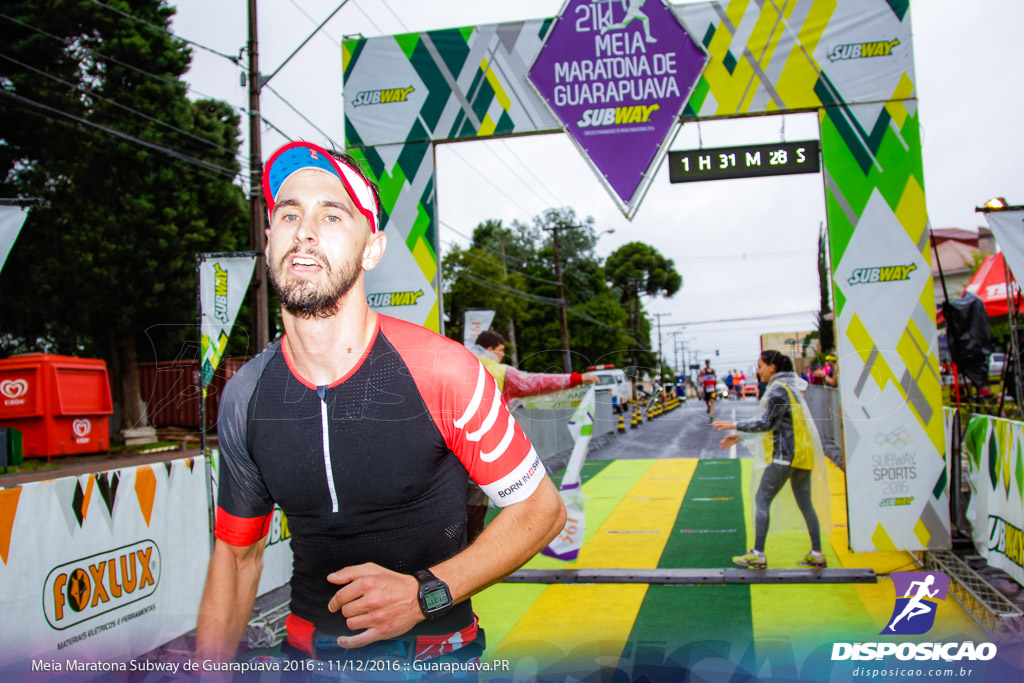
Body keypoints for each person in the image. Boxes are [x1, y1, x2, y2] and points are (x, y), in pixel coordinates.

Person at [195, 141, 566, 668]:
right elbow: (236, 558)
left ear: (371, 248)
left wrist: (425, 594)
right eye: (288, 213)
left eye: (332, 214)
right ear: (269, 238)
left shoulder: (442, 370)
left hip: (436, 661)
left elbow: (540, 510)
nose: (305, 230)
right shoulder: (245, 394)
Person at [466, 329, 598, 542]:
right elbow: (535, 382)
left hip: (448, 447)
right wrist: (577, 379)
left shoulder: (459, 362)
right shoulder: (499, 372)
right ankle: (471, 552)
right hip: (483, 448)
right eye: (500, 351)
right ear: (490, 349)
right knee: (477, 505)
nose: (502, 355)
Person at [712, 350, 827, 569]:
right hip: (802, 453)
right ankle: (817, 552)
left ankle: (758, 554)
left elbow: (767, 423)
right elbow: (778, 423)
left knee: (762, 499)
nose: (758, 371)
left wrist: (735, 425)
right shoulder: (790, 387)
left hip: (785, 455)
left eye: (760, 366)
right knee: (805, 504)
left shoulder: (778, 390)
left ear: (771, 368)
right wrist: (741, 435)